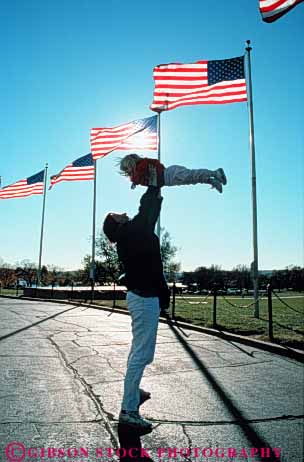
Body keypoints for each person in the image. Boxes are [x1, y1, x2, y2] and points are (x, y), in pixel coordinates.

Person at [103, 178, 170, 432]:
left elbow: (149, 214)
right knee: (141, 354)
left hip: (144, 297)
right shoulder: (131, 232)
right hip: (143, 299)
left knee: (140, 352)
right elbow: (147, 211)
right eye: (117, 214)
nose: (122, 212)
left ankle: (134, 390)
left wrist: (155, 191)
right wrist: (153, 184)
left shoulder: (132, 233)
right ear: (117, 223)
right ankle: (128, 411)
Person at [119, 153, 227, 193]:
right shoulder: (138, 176)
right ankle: (212, 181)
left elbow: (142, 172)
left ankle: (215, 173)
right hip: (169, 181)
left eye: (127, 168)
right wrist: (135, 181)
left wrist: (134, 181)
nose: (127, 172)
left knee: (192, 175)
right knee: (192, 180)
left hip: (170, 174)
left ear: (131, 163)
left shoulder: (142, 164)